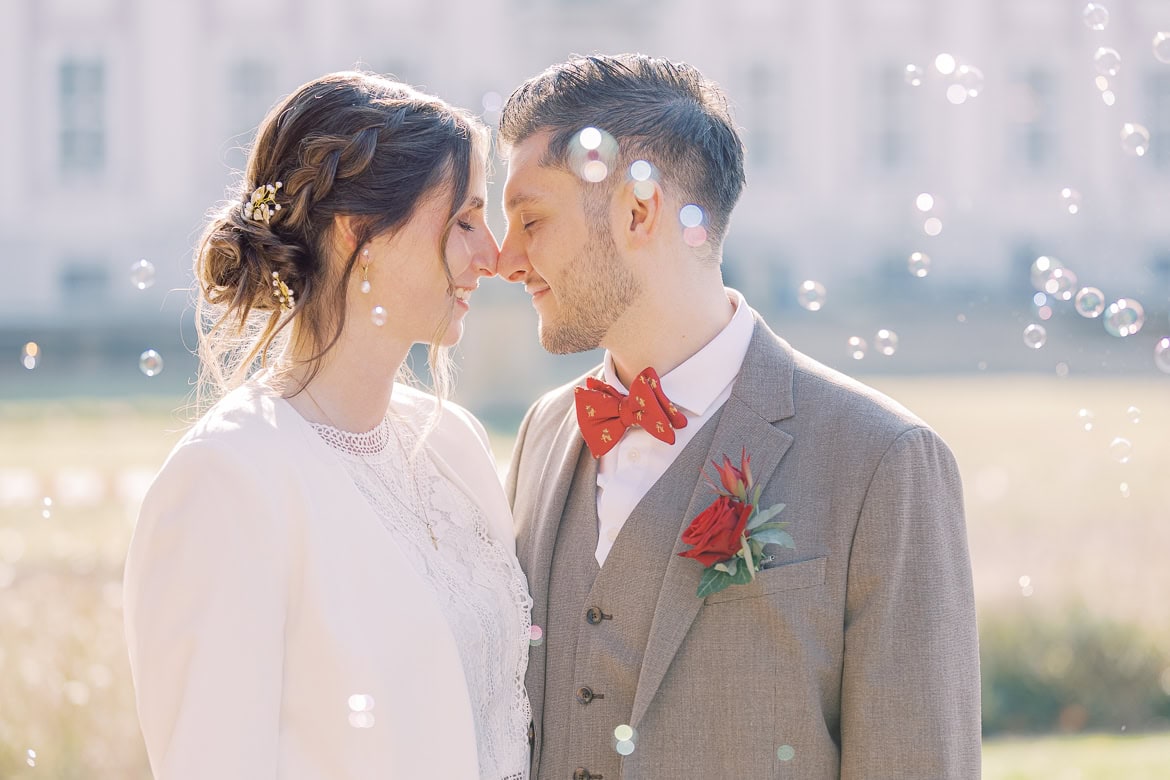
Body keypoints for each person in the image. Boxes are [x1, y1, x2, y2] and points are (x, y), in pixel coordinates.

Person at [497, 54, 981, 779]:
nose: (506, 260)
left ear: (639, 210)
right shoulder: (544, 432)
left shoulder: (884, 462)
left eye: (530, 219)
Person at [123, 71, 532, 780]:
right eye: (464, 221)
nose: (491, 255)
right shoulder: (227, 479)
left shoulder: (454, 446)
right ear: (361, 234)